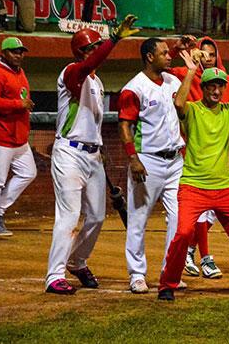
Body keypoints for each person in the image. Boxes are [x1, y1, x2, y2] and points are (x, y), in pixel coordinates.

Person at [157, 50, 229, 301]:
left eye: (220, 87)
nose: (216, 91)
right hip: (193, 187)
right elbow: (178, 104)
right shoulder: (193, 110)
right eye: (211, 87)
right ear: (203, 88)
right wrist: (192, 72)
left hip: (225, 188)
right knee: (184, 233)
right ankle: (167, 285)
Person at [45, 17, 138, 295]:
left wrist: (101, 152)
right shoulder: (72, 72)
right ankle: (54, 276)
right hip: (69, 154)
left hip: (92, 155)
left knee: (97, 216)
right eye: (91, 48)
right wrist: (115, 40)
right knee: (69, 216)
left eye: (97, 47)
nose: (95, 52)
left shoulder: (97, 82)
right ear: (80, 52)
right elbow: (87, 65)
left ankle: (77, 261)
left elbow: (93, 124)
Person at [171, 35, 229, 281]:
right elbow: (165, 67)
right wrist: (179, 49)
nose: (207, 58)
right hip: (193, 150)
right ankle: (202, 256)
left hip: (224, 152)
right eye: (201, 53)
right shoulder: (185, 73)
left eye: (211, 54)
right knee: (200, 211)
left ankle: (196, 248)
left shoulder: (227, 82)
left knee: (226, 205)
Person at [118, 38, 187, 294]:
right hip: (147, 160)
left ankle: (169, 272)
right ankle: (137, 274)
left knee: (180, 219)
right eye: (164, 53)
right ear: (149, 56)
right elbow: (124, 125)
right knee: (138, 219)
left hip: (175, 160)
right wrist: (133, 158)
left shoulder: (173, 82)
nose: (170, 57)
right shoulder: (134, 88)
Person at [0, 37, 36, 237]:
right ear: (4, 53)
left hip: (18, 139)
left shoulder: (19, 72)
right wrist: (17, 104)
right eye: (14, 51)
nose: (19, 55)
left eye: (21, 52)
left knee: (28, 172)